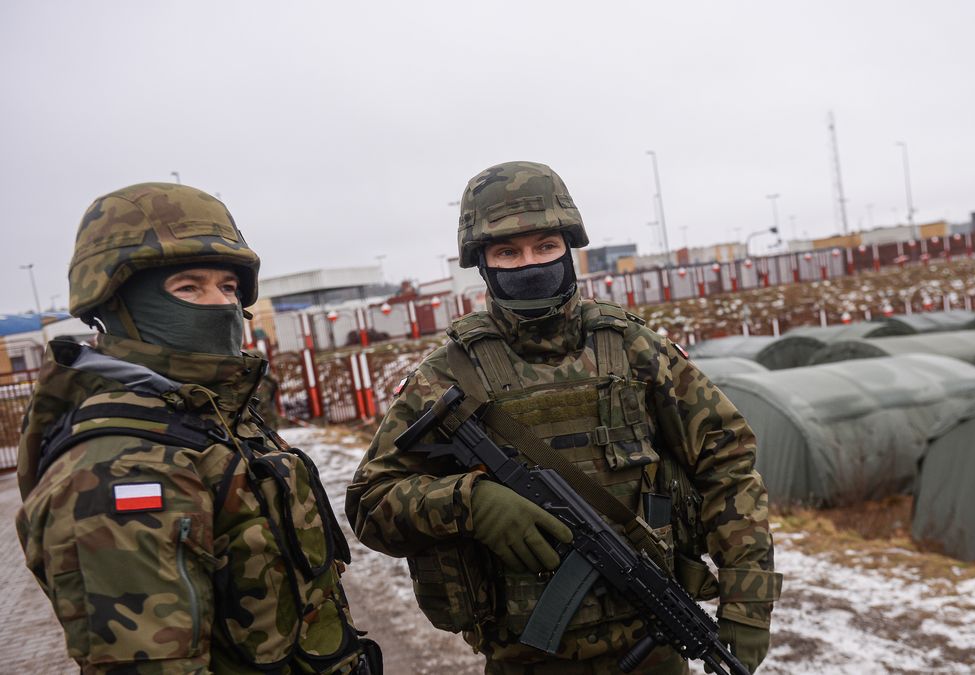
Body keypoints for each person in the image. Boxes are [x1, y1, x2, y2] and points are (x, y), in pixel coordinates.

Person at [346, 161, 780, 673]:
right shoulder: (447, 377)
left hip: (653, 645)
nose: (530, 264)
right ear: (482, 263)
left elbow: (727, 465)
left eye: (545, 247)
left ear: (568, 249)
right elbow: (370, 504)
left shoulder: (635, 349)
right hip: (523, 657)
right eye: (508, 252)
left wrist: (749, 607)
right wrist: (471, 503)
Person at [15, 182, 379, 674]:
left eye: (228, 287)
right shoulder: (116, 466)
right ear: (117, 302)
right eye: (189, 286)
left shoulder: (211, 413)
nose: (221, 304)